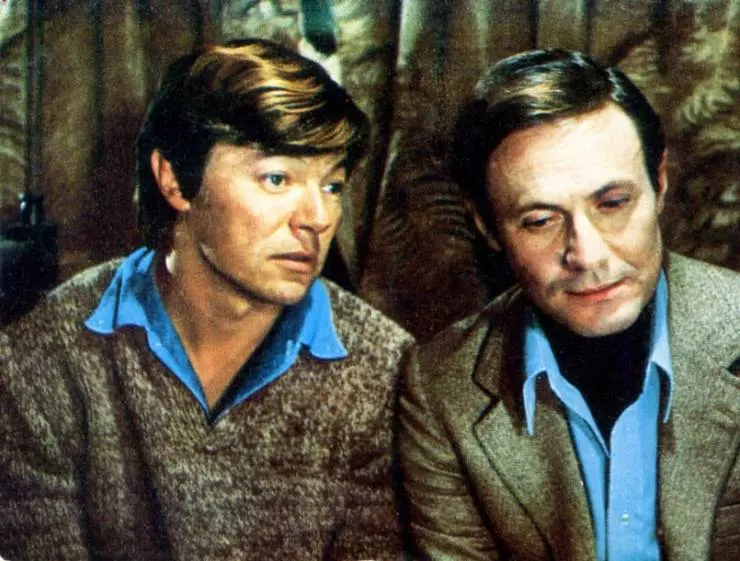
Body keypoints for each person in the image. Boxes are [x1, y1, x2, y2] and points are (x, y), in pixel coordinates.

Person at [0, 38, 414, 560]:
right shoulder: (42, 356)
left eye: (332, 186)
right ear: (175, 180)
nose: (317, 218)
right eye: (277, 178)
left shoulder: (385, 368)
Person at [397, 48, 739, 560]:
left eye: (613, 204)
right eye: (540, 220)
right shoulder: (440, 388)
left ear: (660, 183)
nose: (587, 254)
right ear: (487, 227)